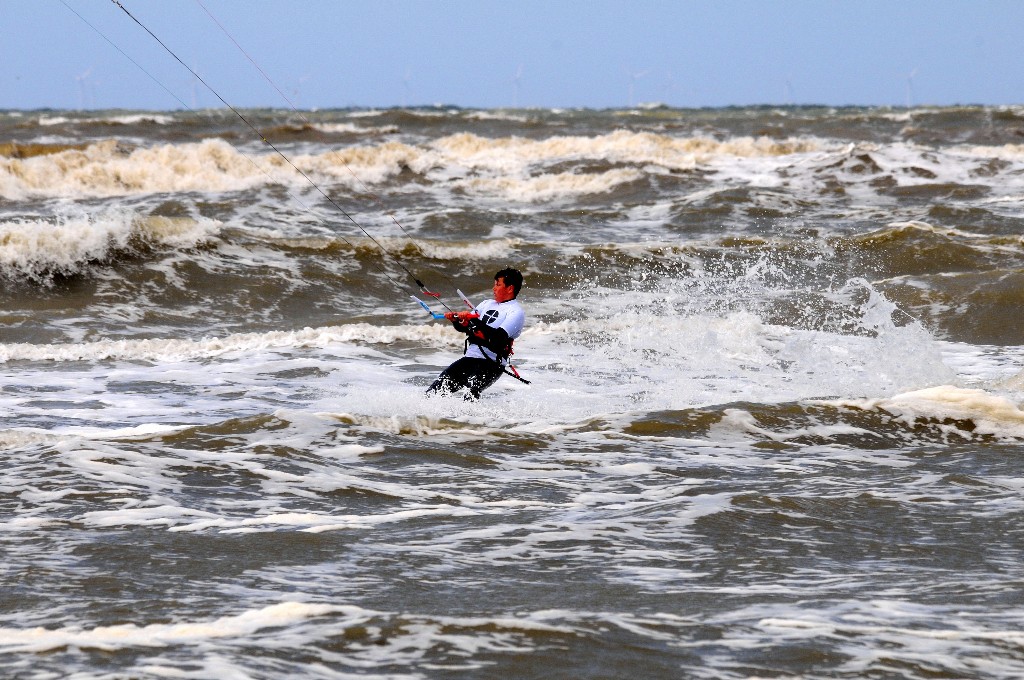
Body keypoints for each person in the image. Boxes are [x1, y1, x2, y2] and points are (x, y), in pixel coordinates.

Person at [426, 268, 526, 400]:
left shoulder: (516, 312)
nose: (493, 288)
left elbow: (497, 338)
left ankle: (472, 420)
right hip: (470, 359)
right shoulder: (486, 304)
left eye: (498, 285)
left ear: (510, 288)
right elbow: (468, 329)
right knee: (433, 394)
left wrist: (472, 319)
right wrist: (457, 321)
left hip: (491, 364)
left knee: (470, 393)